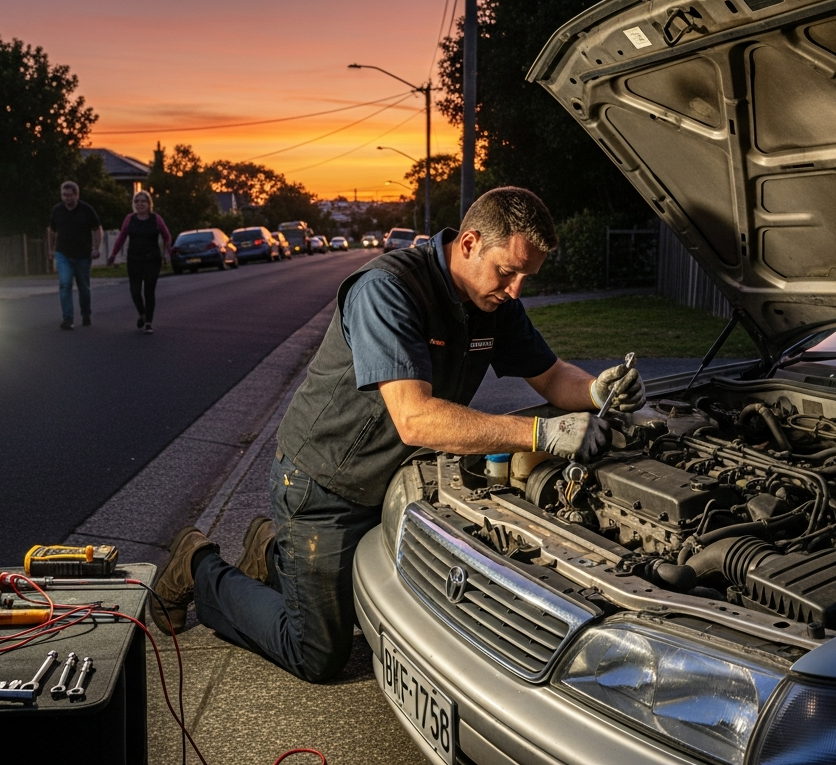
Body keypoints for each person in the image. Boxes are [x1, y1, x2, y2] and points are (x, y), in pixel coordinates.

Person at [152, 187, 644, 682]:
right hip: (323, 484)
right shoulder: (387, 290)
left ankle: (274, 553)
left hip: (385, 480)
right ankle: (199, 567)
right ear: (470, 242)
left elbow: (552, 374)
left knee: (372, 603)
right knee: (318, 652)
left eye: (526, 277)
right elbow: (416, 418)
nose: (516, 290)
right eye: (508, 271)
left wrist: (596, 389)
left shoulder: (492, 304)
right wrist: (540, 433)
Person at [108, 190, 173, 333]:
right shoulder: (129, 219)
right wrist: (113, 255)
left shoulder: (156, 219)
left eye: (143, 201)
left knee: (149, 290)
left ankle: (149, 322)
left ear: (149, 204)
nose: (139, 204)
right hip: (134, 259)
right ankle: (142, 314)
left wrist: (169, 250)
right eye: (137, 201)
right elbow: (121, 238)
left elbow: (166, 235)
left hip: (152, 259)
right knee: (135, 291)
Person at [47, 181, 103, 330]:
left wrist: (96, 248)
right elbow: (52, 230)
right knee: (65, 284)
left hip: (83, 255)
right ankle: (68, 319)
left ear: (76, 195)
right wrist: (51, 249)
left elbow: (97, 229)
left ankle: (86, 313)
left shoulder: (86, 210)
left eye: (70, 195)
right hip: (63, 253)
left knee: (83, 287)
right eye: (64, 195)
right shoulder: (57, 210)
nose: (67, 198)